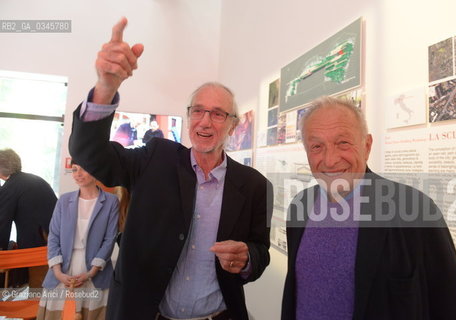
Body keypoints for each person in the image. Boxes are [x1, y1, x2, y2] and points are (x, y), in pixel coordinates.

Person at [68, 17, 272, 320]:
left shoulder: (255, 186)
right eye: (198, 111)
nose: (205, 121)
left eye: (218, 114)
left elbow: (260, 252)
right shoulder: (155, 157)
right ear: (188, 117)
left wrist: (247, 259)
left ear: (233, 124)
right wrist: (106, 87)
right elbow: (92, 156)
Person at [281, 97, 456, 319]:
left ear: (367, 145)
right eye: (317, 146)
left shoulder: (413, 210)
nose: (330, 160)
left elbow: (453, 306)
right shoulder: (300, 205)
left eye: (343, 142)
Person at [37, 162, 119, 320]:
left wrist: (91, 272)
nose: (78, 174)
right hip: (63, 268)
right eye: (74, 170)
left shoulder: (111, 201)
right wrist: (57, 272)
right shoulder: (64, 200)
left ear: (95, 171)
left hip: (95, 270)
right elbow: (53, 236)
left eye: (84, 169)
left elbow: (110, 239)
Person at [0, 148, 57, 287]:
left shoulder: (10, 187)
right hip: (55, 238)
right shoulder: (36, 180)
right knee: (47, 283)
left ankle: (37, 308)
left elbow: (2, 222)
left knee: (37, 283)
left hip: (39, 242)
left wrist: (1, 251)